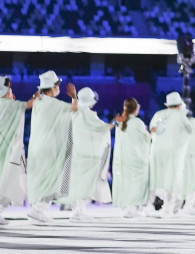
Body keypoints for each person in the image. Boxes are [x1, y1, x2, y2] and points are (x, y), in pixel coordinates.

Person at [26, 70, 78, 224]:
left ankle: (38, 208)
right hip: (49, 148)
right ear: (52, 87)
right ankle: (39, 209)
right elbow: (74, 109)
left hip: (38, 146)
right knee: (52, 179)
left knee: (43, 179)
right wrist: (74, 96)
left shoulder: (39, 103)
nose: (59, 88)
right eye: (58, 85)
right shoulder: (52, 104)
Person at [63, 87, 115, 221]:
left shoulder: (74, 112)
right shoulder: (89, 114)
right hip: (89, 156)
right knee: (89, 184)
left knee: (78, 183)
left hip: (76, 153)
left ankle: (76, 209)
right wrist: (116, 121)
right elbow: (103, 128)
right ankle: (79, 210)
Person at [0, 76, 39, 224]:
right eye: (9, 88)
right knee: (8, 181)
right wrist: (37, 95)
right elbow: (30, 104)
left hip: (5, 150)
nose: (11, 90)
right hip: (7, 152)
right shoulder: (7, 104)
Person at [148, 91, 194, 216]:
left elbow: (152, 130)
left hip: (157, 150)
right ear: (179, 105)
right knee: (172, 179)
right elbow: (189, 131)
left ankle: (150, 205)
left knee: (157, 177)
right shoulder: (180, 115)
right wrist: (180, 144)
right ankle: (168, 206)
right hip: (173, 152)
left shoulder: (158, 114)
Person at [112, 98, 151, 217]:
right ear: (135, 109)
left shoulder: (120, 122)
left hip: (123, 159)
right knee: (137, 183)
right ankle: (132, 208)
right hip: (136, 159)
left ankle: (128, 207)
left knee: (125, 182)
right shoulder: (137, 122)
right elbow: (146, 138)